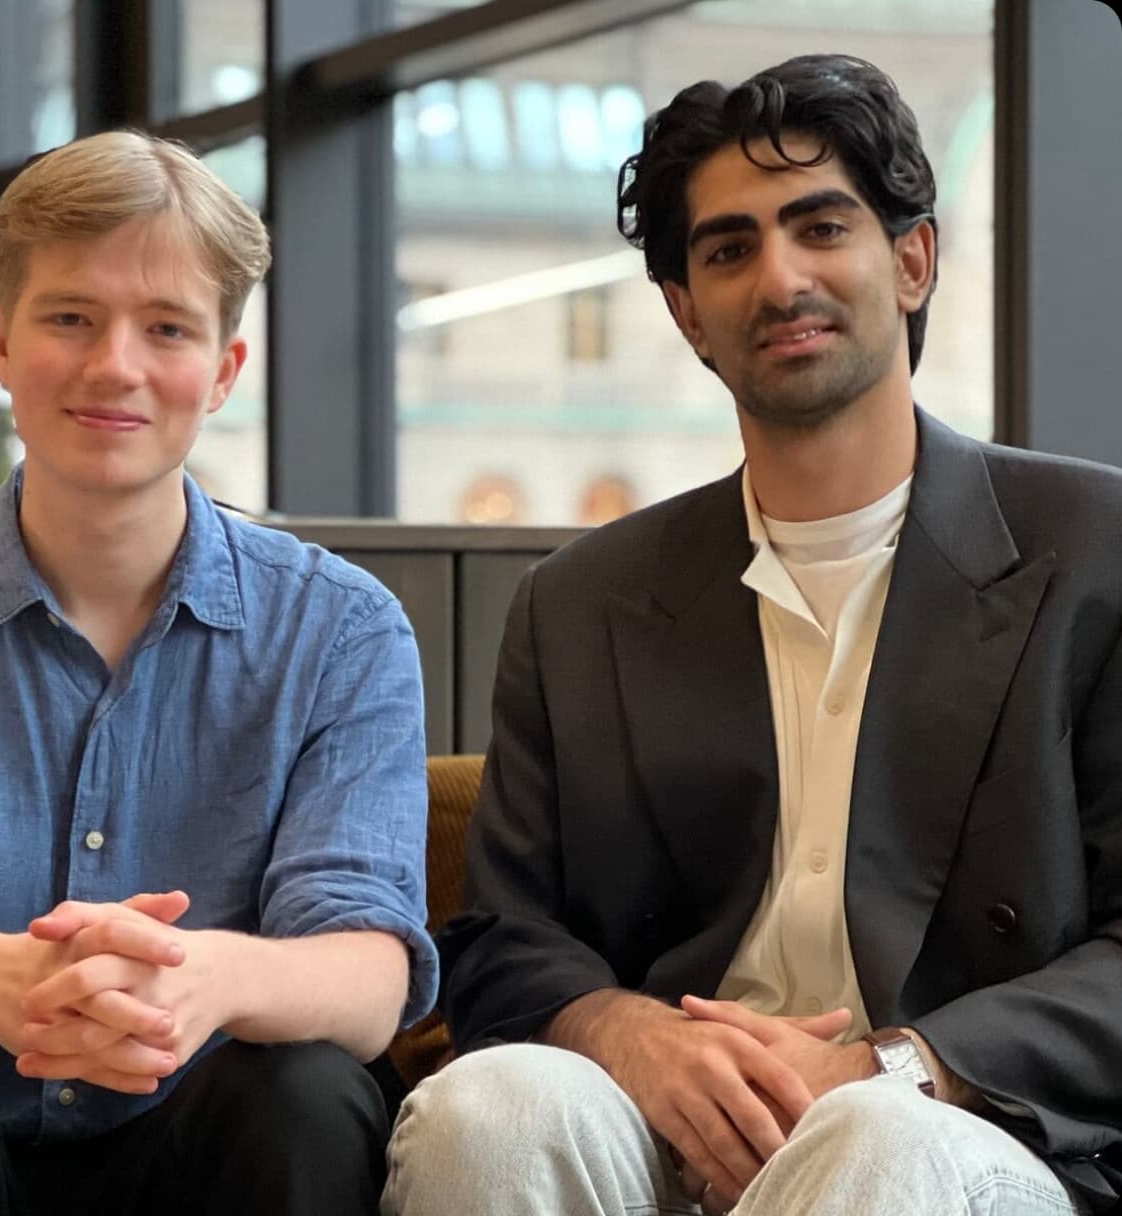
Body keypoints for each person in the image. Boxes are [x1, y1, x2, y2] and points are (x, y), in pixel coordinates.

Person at [384, 53, 1122, 1216]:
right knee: (491, 1107)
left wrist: (891, 1067)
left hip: (969, 1130)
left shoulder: (1094, 551)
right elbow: (499, 937)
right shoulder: (578, 603)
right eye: (728, 250)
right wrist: (625, 1033)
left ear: (911, 260)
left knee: (875, 1139)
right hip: (665, 1132)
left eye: (819, 227)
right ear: (685, 312)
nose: (779, 278)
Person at [0, 130, 435, 1216]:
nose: (115, 365)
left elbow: (368, 976)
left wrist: (207, 979)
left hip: (208, 1156)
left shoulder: (341, 630)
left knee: (306, 1088)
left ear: (223, 370)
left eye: (167, 328)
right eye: (70, 318)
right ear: (1, 343)